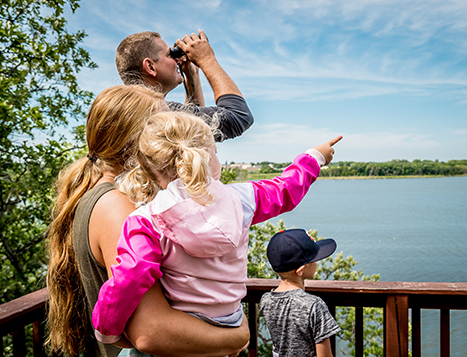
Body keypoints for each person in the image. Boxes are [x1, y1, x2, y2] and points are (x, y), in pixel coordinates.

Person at [91, 111, 343, 346]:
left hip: (182, 329)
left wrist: (106, 330)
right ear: (209, 159)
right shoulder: (243, 199)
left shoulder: (146, 220)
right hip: (230, 322)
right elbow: (287, 189)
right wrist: (314, 157)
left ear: (149, 170)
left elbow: (130, 277)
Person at [46, 85, 249, 357]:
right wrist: (237, 335)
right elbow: (151, 332)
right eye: (163, 126)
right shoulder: (118, 207)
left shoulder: (102, 195)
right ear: (138, 144)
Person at [115, 30, 253, 141]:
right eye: (170, 55)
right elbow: (238, 117)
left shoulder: (128, 110)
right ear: (150, 66)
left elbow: (193, 128)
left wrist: (191, 75)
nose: (176, 60)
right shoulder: (157, 112)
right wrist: (207, 59)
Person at [259, 229, 341, 357]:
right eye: (314, 259)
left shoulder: (266, 300)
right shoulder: (314, 305)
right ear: (300, 270)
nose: (317, 262)